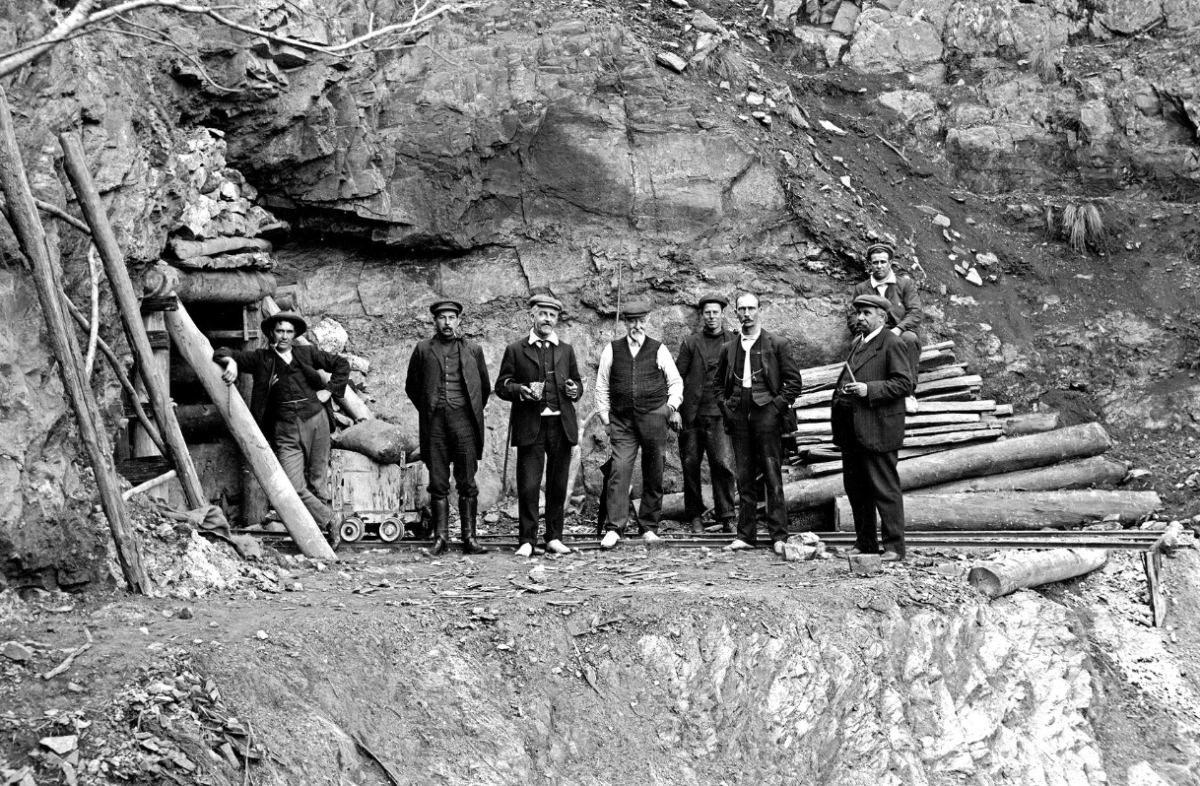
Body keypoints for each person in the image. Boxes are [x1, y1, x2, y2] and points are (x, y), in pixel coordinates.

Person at [214, 311, 349, 549]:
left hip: (316, 419)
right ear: (271, 334)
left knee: (318, 481)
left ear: (294, 334)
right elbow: (221, 352)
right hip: (284, 429)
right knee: (292, 486)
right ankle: (330, 519)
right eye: (280, 331)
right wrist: (232, 362)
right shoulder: (261, 358)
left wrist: (329, 390)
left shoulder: (306, 353)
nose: (284, 336)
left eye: (289, 331)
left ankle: (322, 536)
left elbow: (341, 364)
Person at [494, 295, 584, 557]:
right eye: (542, 314)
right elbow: (501, 385)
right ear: (531, 316)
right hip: (530, 425)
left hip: (561, 425)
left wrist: (574, 389)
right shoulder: (516, 349)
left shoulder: (565, 350)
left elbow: (577, 385)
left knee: (557, 485)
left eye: (552, 315)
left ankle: (555, 537)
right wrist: (520, 390)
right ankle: (527, 540)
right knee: (529, 485)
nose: (547, 319)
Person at [714, 293, 803, 555]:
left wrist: (775, 408)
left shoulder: (777, 343)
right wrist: (727, 408)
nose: (747, 313)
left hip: (767, 414)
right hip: (739, 413)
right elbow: (717, 385)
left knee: (772, 475)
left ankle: (779, 535)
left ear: (760, 310)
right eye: (742, 309)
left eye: (752, 308)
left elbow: (793, 383)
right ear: (737, 313)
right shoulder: (729, 348)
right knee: (744, 477)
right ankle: (746, 535)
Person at [594, 298, 684, 549]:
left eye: (641, 321)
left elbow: (675, 382)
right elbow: (601, 385)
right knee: (619, 470)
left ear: (647, 321)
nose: (637, 325)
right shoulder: (612, 349)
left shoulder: (658, 349)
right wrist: (605, 418)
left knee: (654, 471)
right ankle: (614, 529)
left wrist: (669, 408)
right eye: (632, 321)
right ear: (625, 323)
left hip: (654, 418)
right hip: (622, 421)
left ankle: (649, 527)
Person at [832, 294, 915, 562]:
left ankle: (894, 547)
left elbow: (905, 384)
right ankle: (865, 542)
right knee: (857, 489)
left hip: (878, 428)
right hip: (853, 431)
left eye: (866, 313)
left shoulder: (893, 343)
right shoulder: (859, 342)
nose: (860, 318)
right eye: (858, 313)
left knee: (885, 489)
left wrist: (869, 389)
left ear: (882, 316)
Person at [404, 300, 491, 556]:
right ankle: (440, 539)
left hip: (464, 422)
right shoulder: (422, 350)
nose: (447, 322)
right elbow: (412, 387)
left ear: (459, 321)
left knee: (467, 481)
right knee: (438, 482)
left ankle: (469, 539)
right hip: (435, 425)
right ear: (434, 321)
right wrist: (432, 407)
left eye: (452, 317)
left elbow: (482, 389)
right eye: (442, 318)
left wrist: (464, 409)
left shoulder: (473, 350)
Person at [675, 294, 738, 534]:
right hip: (692, 415)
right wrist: (676, 411)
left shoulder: (733, 340)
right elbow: (677, 377)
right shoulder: (691, 343)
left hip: (721, 415)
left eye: (715, 312)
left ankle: (727, 516)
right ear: (702, 315)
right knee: (690, 465)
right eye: (707, 313)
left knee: (723, 464)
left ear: (722, 313)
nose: (711, 317)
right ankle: (695, 517)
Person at [849, 241, 922, 413]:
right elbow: (852, 316)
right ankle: (869, 391)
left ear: (890, 263)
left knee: (910, 339)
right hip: (871, 332)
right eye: (875, 262)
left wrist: (899, 329)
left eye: (883, 262)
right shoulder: (862, 288)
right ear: (870, 265)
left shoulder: (904, 284)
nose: (879, 266)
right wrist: (866, 331)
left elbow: (915, 312)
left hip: (898, 331)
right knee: (856, 345)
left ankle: (907, 392)